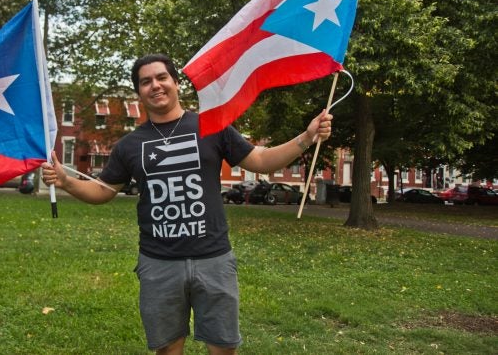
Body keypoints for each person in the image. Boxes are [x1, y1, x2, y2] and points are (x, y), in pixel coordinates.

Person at [41, 53, 332, 354]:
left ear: (176, 83)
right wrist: (65, 181)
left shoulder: (212, 125)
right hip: (159, 263)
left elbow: (259, 159)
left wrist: (306, 138)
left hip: (214, 259)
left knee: (223, 348)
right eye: (145, 82)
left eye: (161, 77)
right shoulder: (129, 145)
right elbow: (103, 192)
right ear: (139, 92)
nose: (155, 85)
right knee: (167, 349)